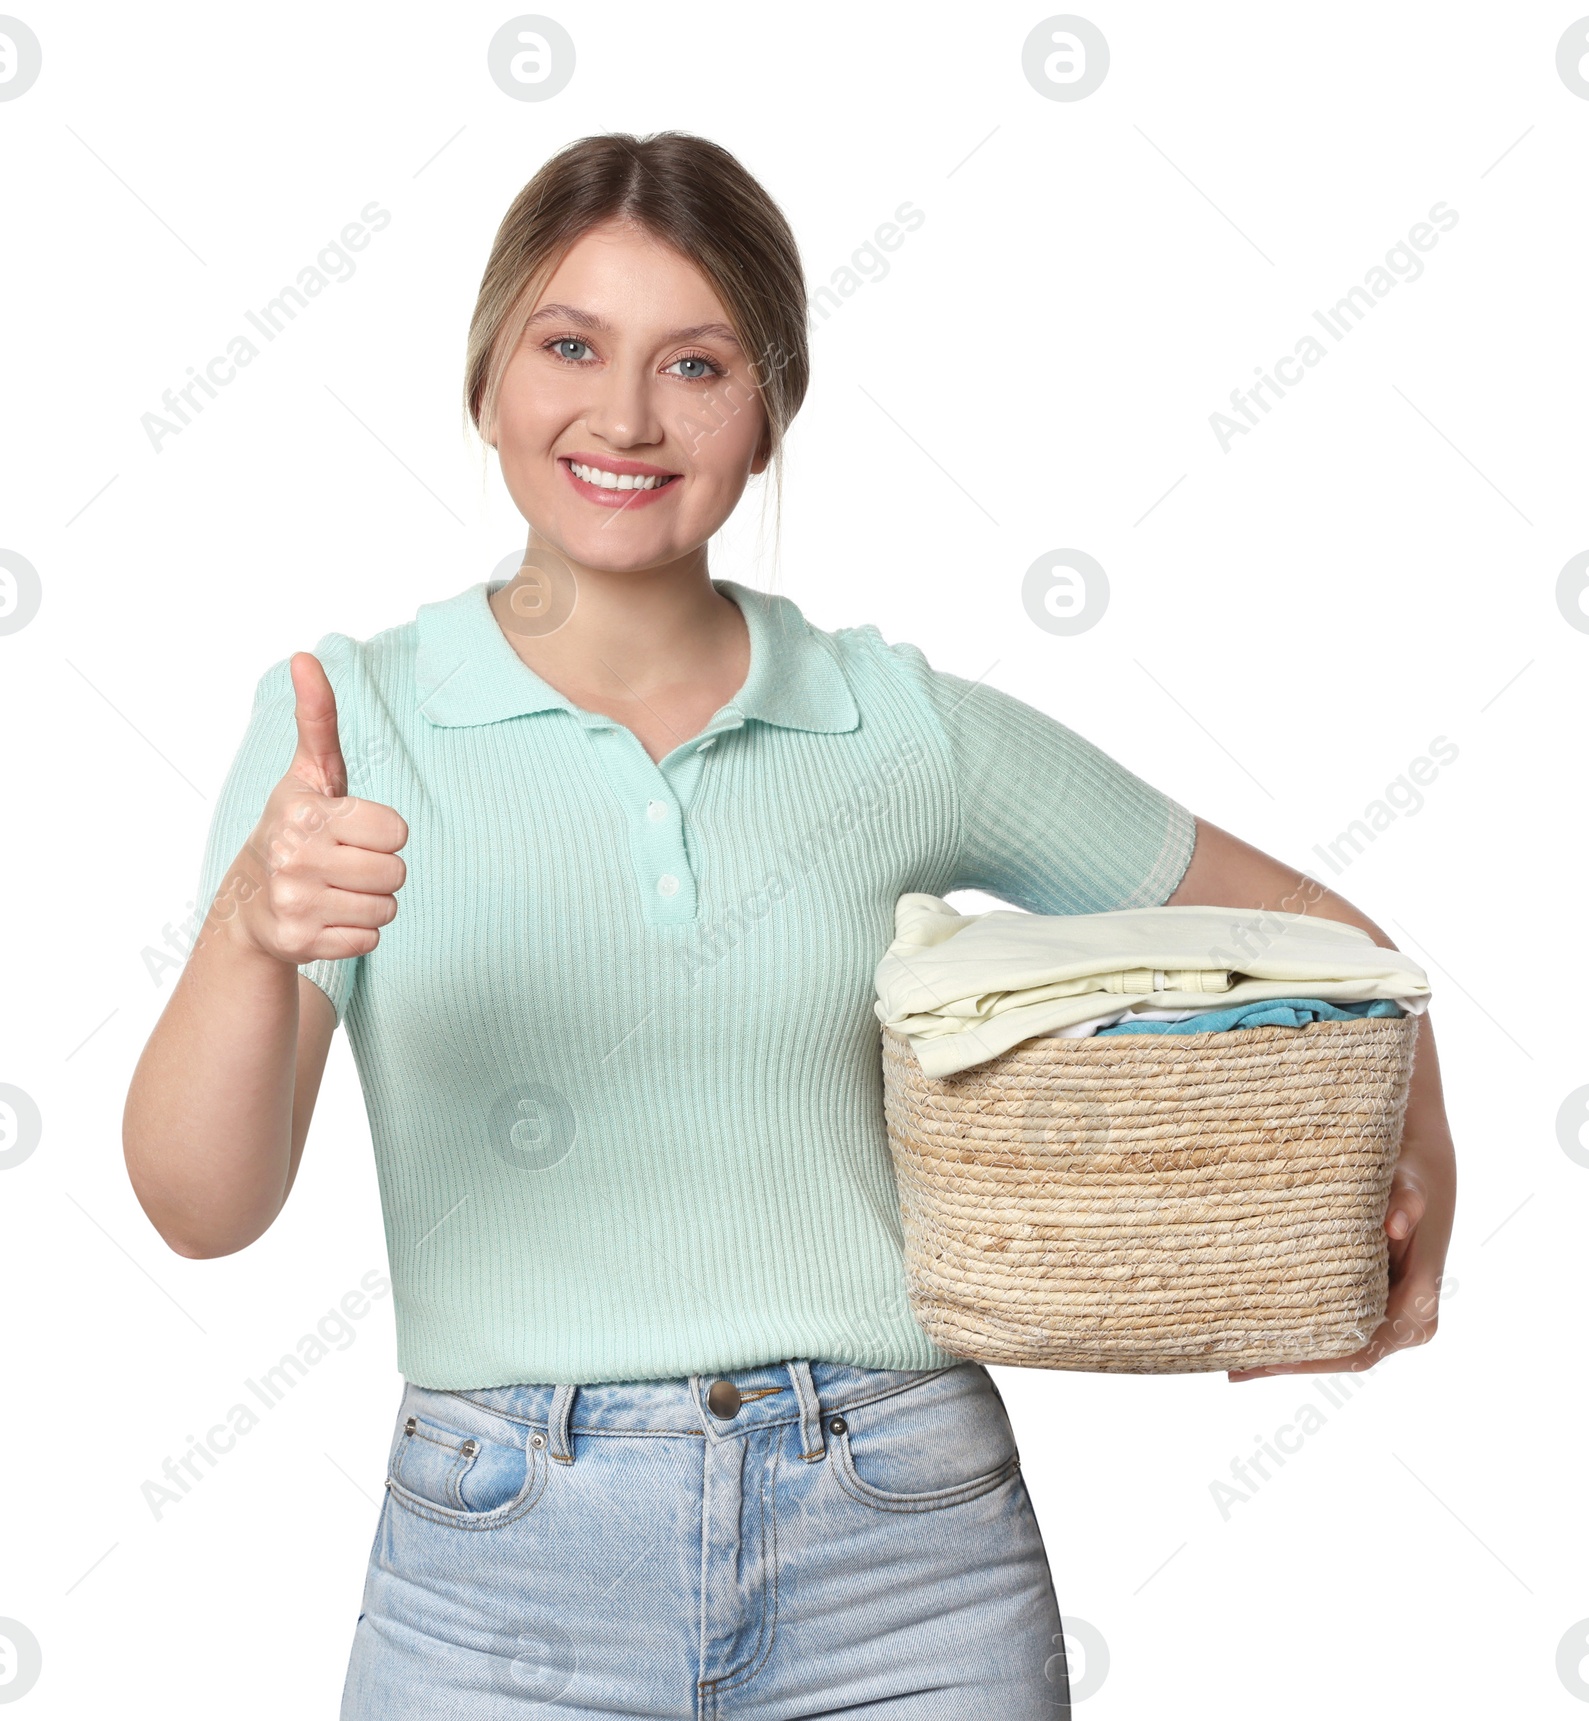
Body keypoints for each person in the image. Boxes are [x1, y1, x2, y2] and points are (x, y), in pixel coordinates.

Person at [122, 131, 1457, 1718]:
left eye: (695, 363)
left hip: (904, 1549)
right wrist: (252, 940)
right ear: (486, 384)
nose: (624, 416)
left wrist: (1412, 1177)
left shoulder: (893, 724)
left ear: (768, 416)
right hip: (501, 1568)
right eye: (569, 347)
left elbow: (1323, 936)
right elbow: (205, 1210)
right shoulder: (349, 726)